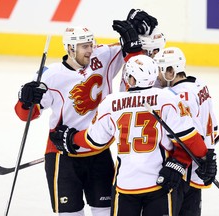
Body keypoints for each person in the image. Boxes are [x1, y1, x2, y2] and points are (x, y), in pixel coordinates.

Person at [15, 9, 158, 216]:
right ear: (70, 48)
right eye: (84, 46)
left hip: (98, 152)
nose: (90, 50)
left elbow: (135, 61)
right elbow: (24, 115)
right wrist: (25, 100)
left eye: (91, 44)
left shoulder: (104, 56)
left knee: (106, 212)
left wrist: (134, 32)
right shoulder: (52, 76)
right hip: (62, 155)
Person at [49, 54, 210, 216]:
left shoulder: (111, 103)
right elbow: (190, 140)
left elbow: (94, 140)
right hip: (159, 184)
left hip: (125, 186)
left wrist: (71, 138)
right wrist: (206, 159)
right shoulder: (168, 98)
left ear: (131, 79)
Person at [154, 47, 218, 216]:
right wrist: (209, 156)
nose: (157, 77)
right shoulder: (200, 86)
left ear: (170, 71)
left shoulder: (176, 95)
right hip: (197, 170)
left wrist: (179, 162)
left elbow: (189, 136)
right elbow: (213, 127)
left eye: (159, 71)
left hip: (181, 175)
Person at [119, 27, 166, 92]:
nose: (138, 54)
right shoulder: (132, 65)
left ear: (155, 52)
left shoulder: (163, 74)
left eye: (143, 51)